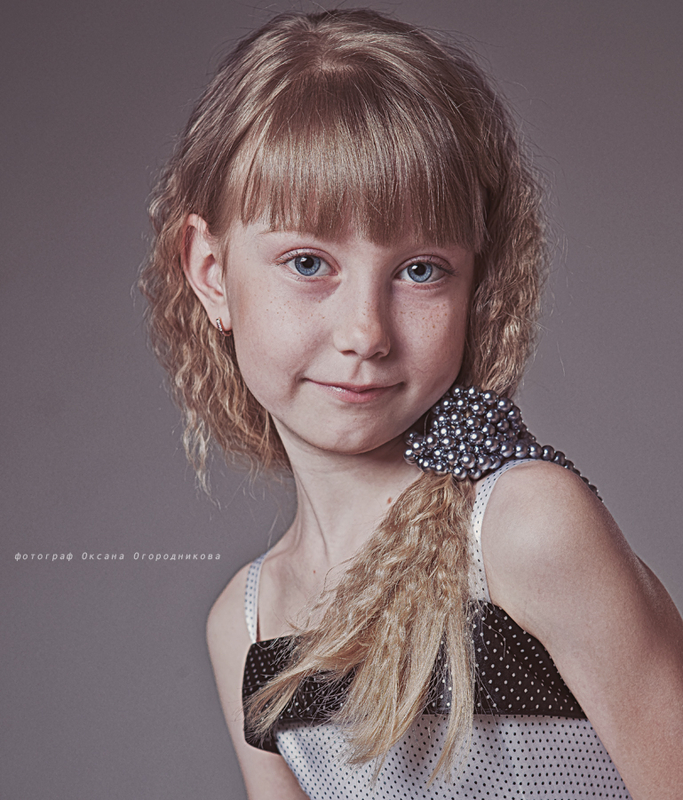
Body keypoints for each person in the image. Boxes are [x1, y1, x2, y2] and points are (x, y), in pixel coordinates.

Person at [139, 9, 683, 798]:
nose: (365, 331)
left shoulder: (526, 527)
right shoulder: (246, 626)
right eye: (308, 262)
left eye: (420, 270)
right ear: (211, 272)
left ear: (476, 283)